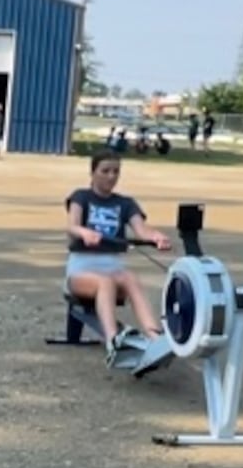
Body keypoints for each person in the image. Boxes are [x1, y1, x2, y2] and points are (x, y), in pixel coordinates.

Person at [63, 152, 173, 368]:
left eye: (116, 172)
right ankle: (114, 341)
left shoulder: (125, 203)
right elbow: (71, 225)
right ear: (93, 172)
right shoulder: (80, 197)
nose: (111, 176)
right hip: (81, 269)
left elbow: (142, 231)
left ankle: (155, 337)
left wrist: (156, 237)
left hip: (112, 266)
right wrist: (84, 233)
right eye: (105, 171)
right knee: (106, 282)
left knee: (130, 278)